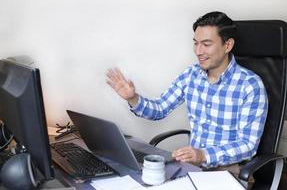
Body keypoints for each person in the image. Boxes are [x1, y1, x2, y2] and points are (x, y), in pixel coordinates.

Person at [106, 12, 268, 173]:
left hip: (228, 171)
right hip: (193, 167)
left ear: (227, 45)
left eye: (206, 44)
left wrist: (203, 155)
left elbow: (248, 145)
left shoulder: (250, 85)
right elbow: (161, 108)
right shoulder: (191, 74)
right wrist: (133, 98)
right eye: (196, 43)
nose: (198, 51)